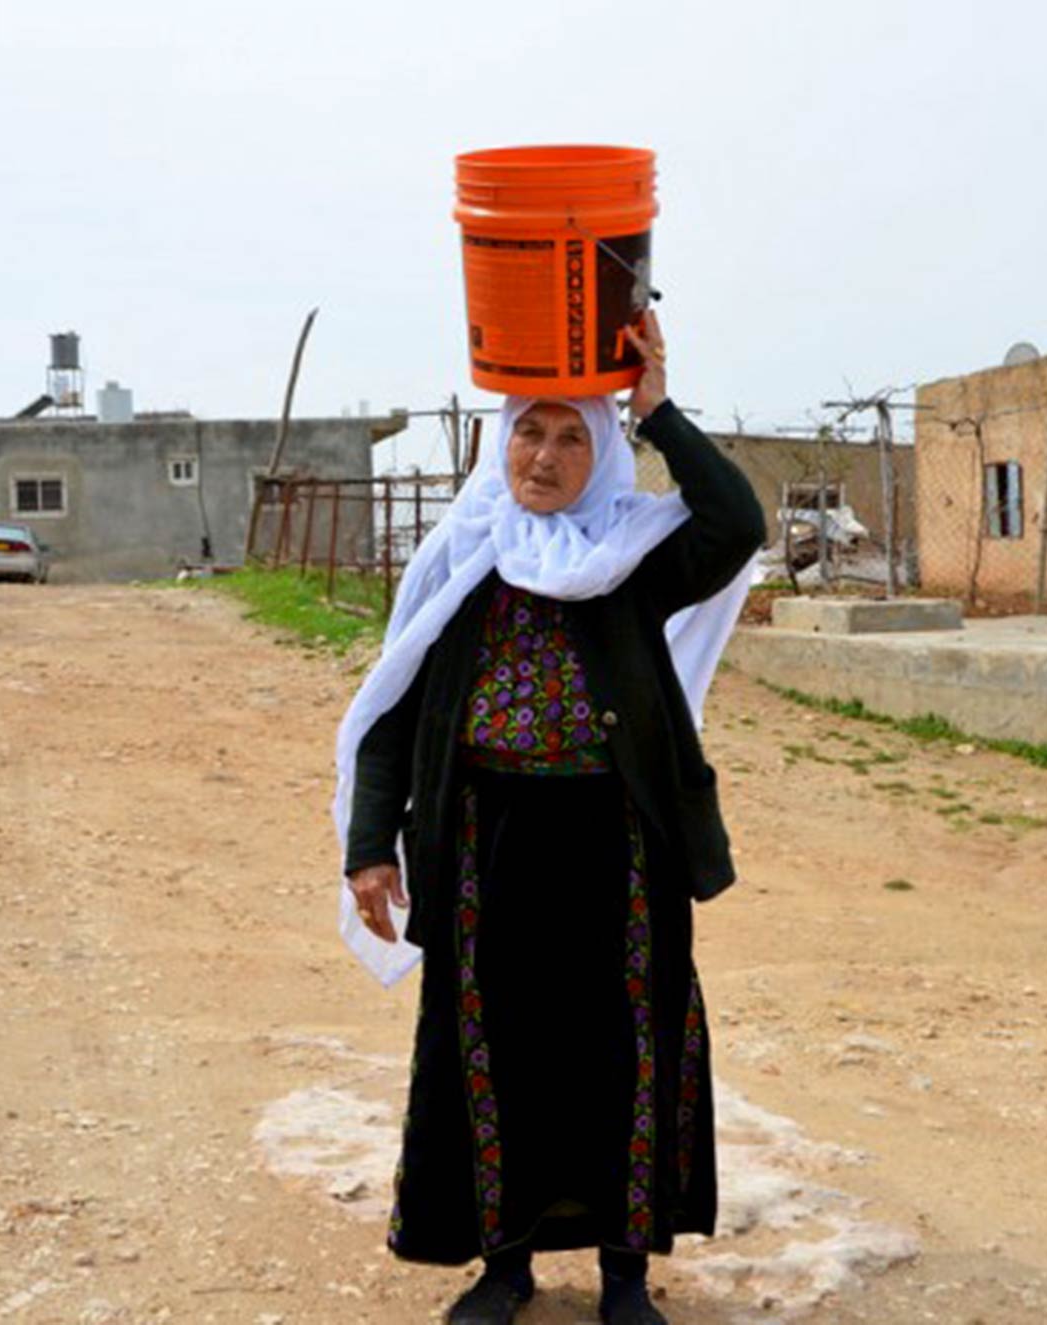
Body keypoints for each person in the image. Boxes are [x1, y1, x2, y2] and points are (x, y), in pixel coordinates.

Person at [334, 315, 764, 1325]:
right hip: (484, 842)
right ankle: (504, 1265)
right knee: (493, 1052)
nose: (545, 455)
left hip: (618, 843)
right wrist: (368, 845)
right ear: (501, 438)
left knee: (624, 1052)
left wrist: (657, 409)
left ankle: (623, 1273)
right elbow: (391, 710)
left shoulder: (630, 555)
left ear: (601, 451)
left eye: (572, 436)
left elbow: (735, 525)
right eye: (530, 431)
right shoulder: (464, 557)